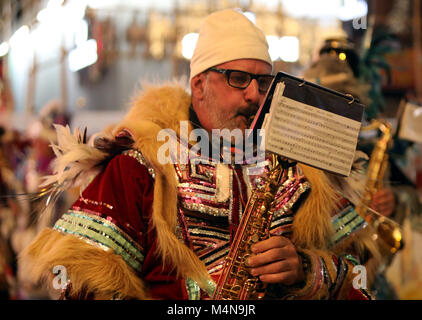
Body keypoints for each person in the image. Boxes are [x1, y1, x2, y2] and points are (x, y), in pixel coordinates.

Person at [20, 9, 377, 300]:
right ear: (199, 85)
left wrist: (306, 270)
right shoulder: (142, 165)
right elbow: (75, 277)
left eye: (264, 82)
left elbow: (359, 271)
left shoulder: (301, 167)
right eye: (238, 78)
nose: (255, 94)